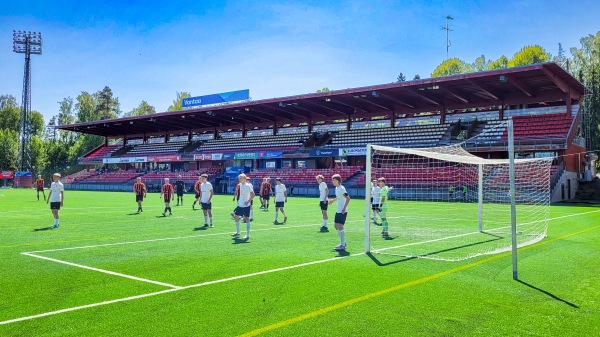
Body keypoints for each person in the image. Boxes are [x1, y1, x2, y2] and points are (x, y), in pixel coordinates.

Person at [328, 174, 350, 251]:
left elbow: (348, 198)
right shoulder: (337, 188)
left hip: (342, 210)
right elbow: (339, 197)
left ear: (337, 181)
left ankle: (343, 244)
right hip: (338, 210)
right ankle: (343, 242)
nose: (332, 181)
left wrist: (344, 208)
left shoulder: (341, 188)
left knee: (340, 226)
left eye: (333, 180)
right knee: (335, 226)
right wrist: (333, 200)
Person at [231, 174, 254, 240]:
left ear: (244, 178)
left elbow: (253, 194)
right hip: (240, 204)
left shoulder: (248, 186)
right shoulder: (240, 185)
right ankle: (238, 232)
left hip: (246, 205)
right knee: (235, 216)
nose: (239, 179)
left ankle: (247, 235)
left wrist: (248, 201)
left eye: (240, 178)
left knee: (247, 218)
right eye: (239, 178)